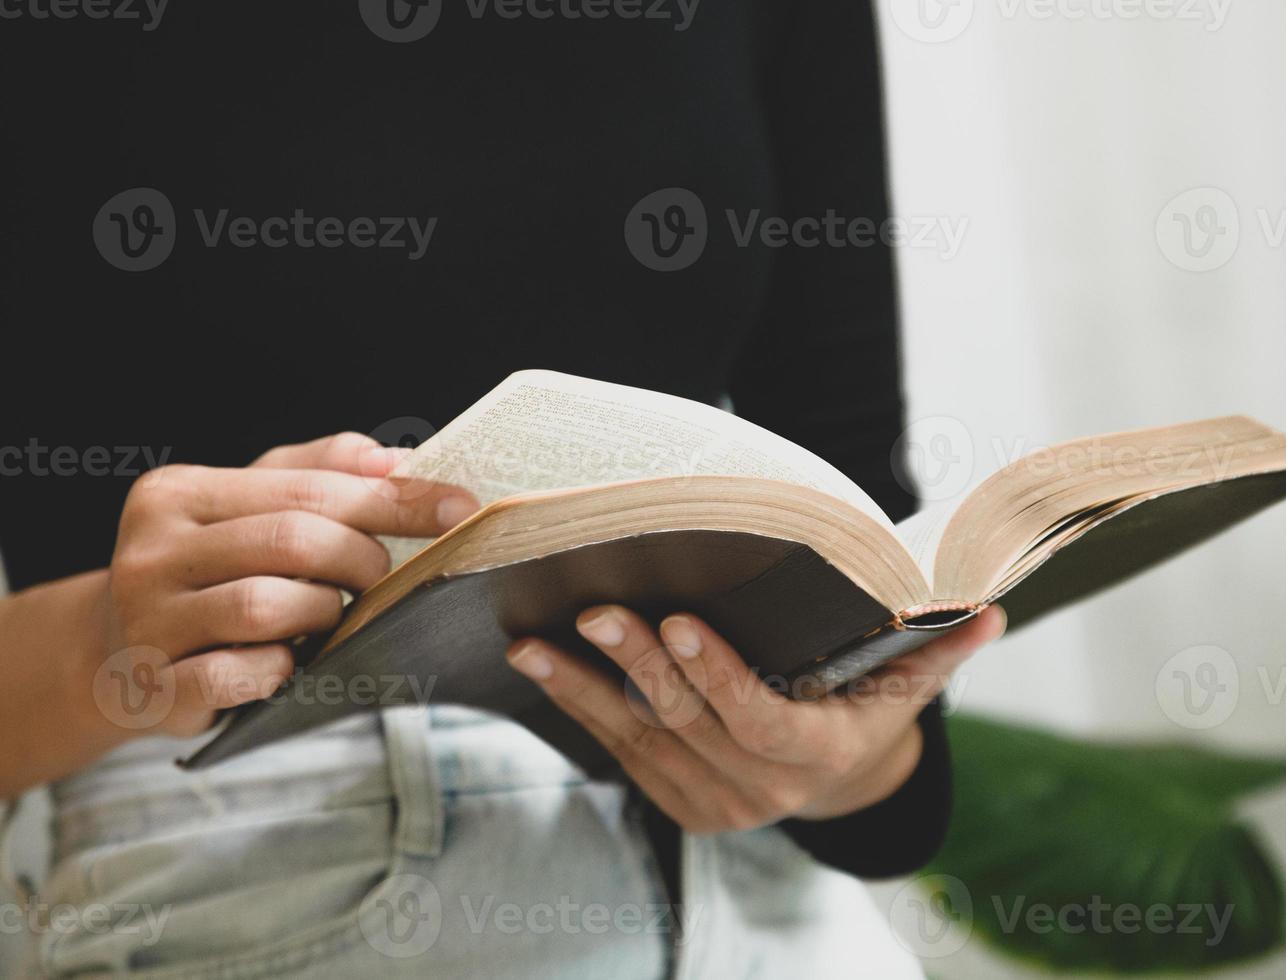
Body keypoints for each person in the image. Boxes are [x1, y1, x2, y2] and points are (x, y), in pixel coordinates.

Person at [0, 3, 1004, 976]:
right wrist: (104, 640)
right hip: (270, 867)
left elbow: (860, 520)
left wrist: (847, 763)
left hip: (771, 901)